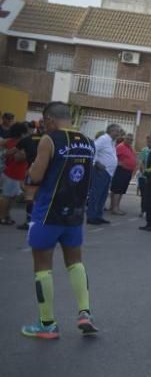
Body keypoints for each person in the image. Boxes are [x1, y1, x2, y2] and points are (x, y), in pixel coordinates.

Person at [20, 101, 98, 339]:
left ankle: (47, 324)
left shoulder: (50, 139)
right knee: (75, 262)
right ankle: (85, 312)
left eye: (44, 123)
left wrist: (31, 172)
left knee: (42, 266)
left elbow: (36, 174)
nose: (43, 128)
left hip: (47, 212)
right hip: (74, 213)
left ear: (50, 121)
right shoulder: (88, 143)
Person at [86, 123, 121, 224]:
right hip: (101, 171)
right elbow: (93, 149)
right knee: (96, 194)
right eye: (117, 131)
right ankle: (91, 216)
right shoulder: (104, 139)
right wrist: (96, 162)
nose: (118, 133)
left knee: (103, 195)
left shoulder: (112, 141)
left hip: (108, 172)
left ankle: (98, 215)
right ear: (111, 131)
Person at [15, 122, 44, 230]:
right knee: (40, 196)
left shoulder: (28, 139)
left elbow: (15, 152)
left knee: (30, 196)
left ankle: (30, 221)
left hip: (33, 169)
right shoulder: (50, 139)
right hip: (47, 171)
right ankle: (39, 220)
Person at [0, 122, 30, 225]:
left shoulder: (9, 141)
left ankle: (6, 215)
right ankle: (2, 217)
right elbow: (18, 158)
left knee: (11, 197)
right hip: (12, 174)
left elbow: (4, 146)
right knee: (7, 197)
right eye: (26, 131)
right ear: (22, 133)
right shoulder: (20, 143)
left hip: (12, 173)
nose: (29, 132)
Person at [109, 133, 137, 215]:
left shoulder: (130, 148)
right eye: (128, 139)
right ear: (124, 139)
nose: (130, 141)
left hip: (127, 171)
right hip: (121, 170)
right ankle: (115, 208)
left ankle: (115, 206)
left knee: (121, 190)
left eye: (131, 140)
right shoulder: (120, 147)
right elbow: (113, 157)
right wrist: (118, 162)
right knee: (118, 189)